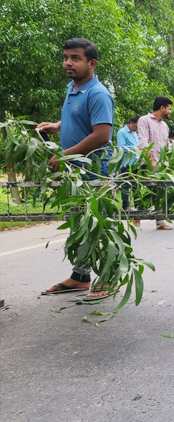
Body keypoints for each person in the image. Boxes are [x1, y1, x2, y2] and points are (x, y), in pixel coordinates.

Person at [36, 38, 115, 299]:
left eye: (75, 58)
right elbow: (80, 118)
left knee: (98, 225)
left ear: (91, 63)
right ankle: (80, 277)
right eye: (66, 57)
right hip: (74, 173)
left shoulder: (98, 93)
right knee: (79, 224)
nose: (68, 63)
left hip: (93, 171)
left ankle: (108, 278)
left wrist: (64, 155)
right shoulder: (73, 88)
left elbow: (102, 134)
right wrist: (56, 126)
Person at [137, 95, 173, 229]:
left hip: (162, 164)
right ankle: (137, 216)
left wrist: (167, 163)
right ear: (162, 108)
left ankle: (160, 221)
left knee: (161, 192)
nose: (170, 112)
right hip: (148, 162)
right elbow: (143, 141)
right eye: (169, 109)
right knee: (144, 189)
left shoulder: (165, 126)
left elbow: (166, 145)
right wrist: (151, 160)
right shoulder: (144, 120)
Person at [116, 116, 139, 213]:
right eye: (137, 126)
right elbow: (121, 148)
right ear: (131, 124)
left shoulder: (135, 133)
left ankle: (138, 205)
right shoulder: (122, 132)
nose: (138, 128)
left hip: (136, 163)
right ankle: (125, 206)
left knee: (137, 185)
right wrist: (136, 148)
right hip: (126, 163)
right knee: (125, 185)